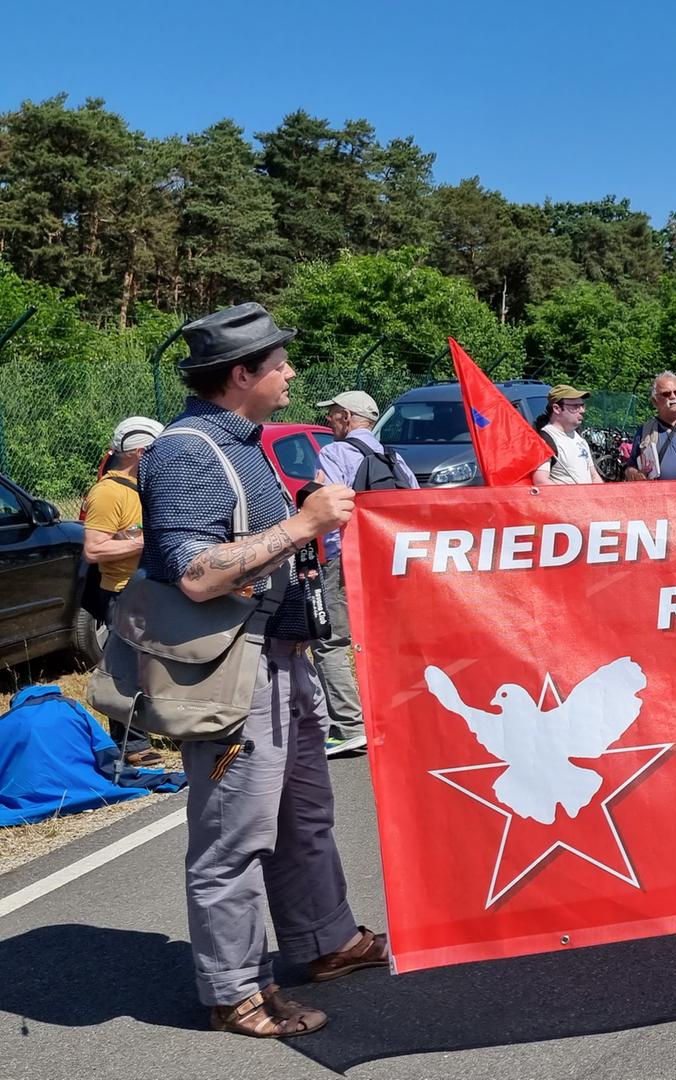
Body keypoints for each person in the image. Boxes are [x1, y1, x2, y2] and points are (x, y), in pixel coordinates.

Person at [140, 302, 386, 1037]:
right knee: (235, 836)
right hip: (234, 676)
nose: (291, 375)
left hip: (283, 662)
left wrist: (300, 519)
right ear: (241, 374)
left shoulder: (241, 443)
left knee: (304, 817)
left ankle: (326, 942)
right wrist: (302, 524)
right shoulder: (187, 450)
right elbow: (193, 573)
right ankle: (234, 991)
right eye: (279, 365)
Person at [311, 389, 417, 757]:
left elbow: (328, 507)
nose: (329, 420)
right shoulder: (394, 457)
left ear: (346, 417)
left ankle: (350, 726)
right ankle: (396, 717)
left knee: (331, 641)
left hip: (346, 556)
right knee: (383, 639)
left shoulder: (333, 453)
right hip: (388, 558)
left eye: (333, 414)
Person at [81, 415, 164, 766]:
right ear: (140, 452)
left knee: (157, 666)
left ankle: (163, 726)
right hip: (122, 593)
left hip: (154, 590)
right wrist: (148, 542)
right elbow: (94, 550)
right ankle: (131, 744)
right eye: (158, 450)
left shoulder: (145, 486)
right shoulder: (108, 493)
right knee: (125, 669)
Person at [533, 385, 601, 485]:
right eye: (576, 406)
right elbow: (540, 480)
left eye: (582, 405)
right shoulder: (546, 439)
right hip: (565, 500)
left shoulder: (579, 438)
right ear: (557, 408)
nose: (582, 410)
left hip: (587, 499)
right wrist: (571, 498)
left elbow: (594, 476)